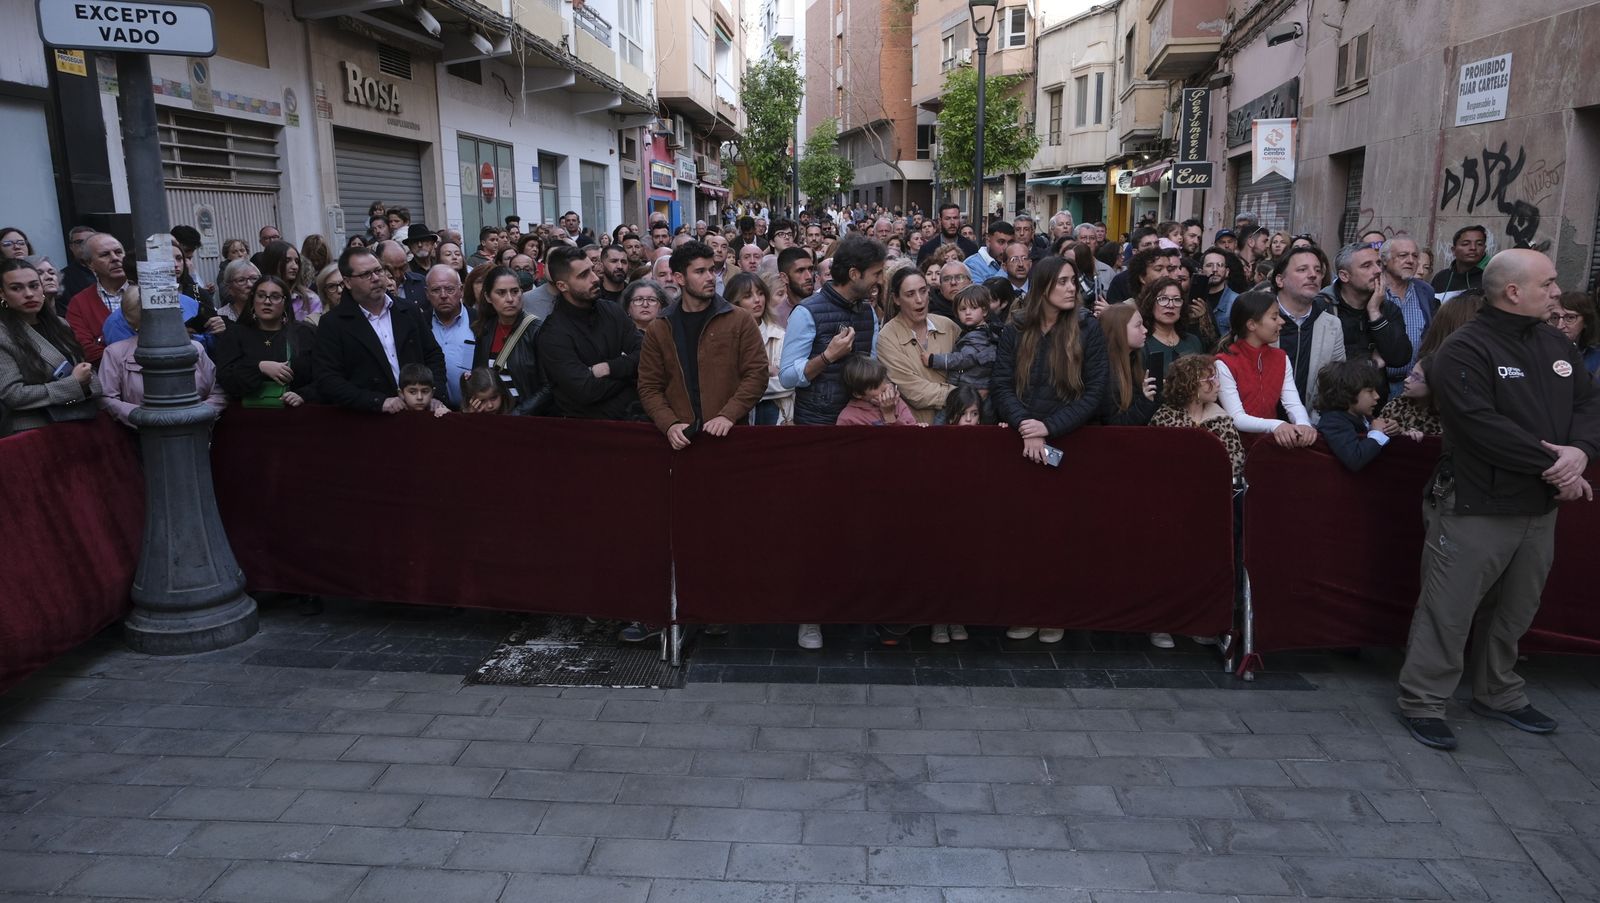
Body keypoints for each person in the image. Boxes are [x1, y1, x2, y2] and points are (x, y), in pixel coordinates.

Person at [1396, 249, 1600, 750]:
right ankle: (1423, 700)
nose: (1557, 292)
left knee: (1516, 609)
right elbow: (1481, 427)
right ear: (1514, 292)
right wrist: (1557, 465)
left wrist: (1580, 452)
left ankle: (1499, 692)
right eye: (1549, 283)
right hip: (1476, 504)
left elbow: (1589, 403)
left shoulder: (1556, 343)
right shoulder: (1464, 350)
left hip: (1540, 506)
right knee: (1449, 608)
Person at [991, 255, 1106, 644]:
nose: (1072, 287)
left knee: (1061, 538)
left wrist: (1049, 427)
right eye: (1062, 282)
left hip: (1070, 443)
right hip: (1021, 445)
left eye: (1074, 280)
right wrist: (1028, 427)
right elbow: (1001, 384)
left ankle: (1055, 613)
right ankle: (1026, 610)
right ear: (1043, 288)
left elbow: (1094, 393)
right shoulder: (1016, 329)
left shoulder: (1089, 328)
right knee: (1021, 537)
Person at [638, 240, 767, 452]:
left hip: (730, 436)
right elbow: (649, 386)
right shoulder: (659, 327)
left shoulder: (740, 319)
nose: (710, 277)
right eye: (700, 271)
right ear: (679, 278)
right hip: (682, 440)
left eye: (711, 270)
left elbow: (757, 374)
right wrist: (669, 423)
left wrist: (728, 414)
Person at [314, 247, 448, 414]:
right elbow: (328, 379)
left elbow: (433, 355)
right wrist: (377, 402)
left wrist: (435, 395)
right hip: (368, 420)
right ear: (347, 282)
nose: (376, 278)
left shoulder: (408, 310)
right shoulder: (333, 323)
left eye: (379, 270)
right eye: (366, 274)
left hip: (416, 415)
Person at [779, 233, 886, 425]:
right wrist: (827, 357)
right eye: (876, 274)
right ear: (854, 274)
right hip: (818, 425)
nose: (881, 280)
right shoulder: (806, 313)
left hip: (859, 423)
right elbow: (787, 377)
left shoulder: (868, 312)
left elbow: (872, 366)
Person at [536, 244, 642, 419]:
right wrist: (630, 376)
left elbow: (645, 356)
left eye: (592, 270)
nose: (595, 278)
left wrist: (610, 367)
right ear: (562, 286)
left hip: (632, 420)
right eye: (583, 275)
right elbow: (585, 390)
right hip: (586, 430)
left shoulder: (612, 311)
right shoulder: (553, 333)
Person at [98, 287, 227, 428]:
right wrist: (144, 417)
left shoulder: (195, 348)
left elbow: (218, 391)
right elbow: (107, 399)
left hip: (196, 433)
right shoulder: (115, 353)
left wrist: (198, 415)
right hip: (141, 436)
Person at [0, 258, 100, 435]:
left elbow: (84, 370)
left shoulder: (60, 324)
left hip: (81, 418)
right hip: (32, 431)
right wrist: (73, 384)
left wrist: (85, 384)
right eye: (16, 288)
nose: (29, 294)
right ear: (2, 294)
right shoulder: (3, 335)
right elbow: (13, 395)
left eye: (34, 286)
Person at [1215, 291, 1318, 446]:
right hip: (1234, 447)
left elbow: (1293, 403)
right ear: (1251, 325)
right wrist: (1276, 425)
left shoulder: (1280, 357)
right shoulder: (1224, 362)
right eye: (1274, 317)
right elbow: (1236, 417)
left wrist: (1304, 423)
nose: (1281, 321)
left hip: (1269, 446)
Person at [1319, 242, 1412, 404]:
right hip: (1333, 405)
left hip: (1376, 406)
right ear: (1344, 276)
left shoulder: (1388, 309)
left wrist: (1375, 312)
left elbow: (1400, 357)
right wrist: (1372, 363)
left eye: (1378, 263)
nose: (1377, 270)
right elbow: (1328, 363)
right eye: (1366, 266)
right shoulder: (1323, 307)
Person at [210, 274, 319, 409]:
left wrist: (303, 395)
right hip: (248, 416)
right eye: (261, 295)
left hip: (297, 414)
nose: (267, 301)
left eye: (275, 297)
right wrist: (259, 368)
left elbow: (323, 375)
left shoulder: (304, 333)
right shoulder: (235, 334)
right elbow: (225, 377)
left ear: (285, 302)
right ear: (253, 299)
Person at [1271, 246, 1345, 415]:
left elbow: (1336, 385)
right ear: (1280, 280)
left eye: (1317, 270)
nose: (1313, 275)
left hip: (1312, 426)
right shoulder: (1258, 319)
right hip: (1265, 425)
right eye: (1302, 269)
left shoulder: (1332, 325)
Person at [877, 266, 957, 424]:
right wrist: (965, 395)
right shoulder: (887, 337)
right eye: (910, 294)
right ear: (896, 299)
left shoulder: (948, 325)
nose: (919, 299)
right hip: (918, 428)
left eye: (923, 291)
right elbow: (914, 392)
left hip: (959, 424)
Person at [471, 265, 551, 416]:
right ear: (488, 297)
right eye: (501, 293)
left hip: (528, 420)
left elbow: (549, 387)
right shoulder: (485, 330)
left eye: (515, 291)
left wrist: (516, 414)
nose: (509, 299)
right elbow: (479, 374)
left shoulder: (537, 330)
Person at [1150, 353, 1245, 479]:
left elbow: (1236, 462)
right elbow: (1154, 462)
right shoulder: (1164, 419)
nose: (1217, 384)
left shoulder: (1222, 419)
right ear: (1191, 385)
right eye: (1210, 380)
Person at [1314, 360, 1410, 471]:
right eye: (1370, 391)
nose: (1377, 396)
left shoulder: (1362, 416)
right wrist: (1377, 433)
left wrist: (1390, 430)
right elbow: (1354, 459)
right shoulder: (1333, 422)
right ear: (1348, 393)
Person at [725, 271, 793, 425]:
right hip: (737, 418)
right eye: (748, 296)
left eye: (761, 293)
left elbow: (789, 383)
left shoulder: (779, 336)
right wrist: (765, 372)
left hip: (776, 417)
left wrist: (746, 383)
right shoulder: (724, 339)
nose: (757, 300)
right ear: (735, 303)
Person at [1376, 235, 1440, 396]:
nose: (1411, 261)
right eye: (1403, 255)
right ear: (1384, 260)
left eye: (1415, 256)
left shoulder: (1425, 291)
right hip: (1376, 384)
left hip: (1412, 385)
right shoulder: (1373, 289)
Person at [927, 285, 999, 415]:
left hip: (974, 389)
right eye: (962, 309)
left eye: (973, 308)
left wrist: (934, 360)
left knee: (944, 419)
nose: (968, 312)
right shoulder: (973, 332)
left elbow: (963, 359)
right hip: (971, 387)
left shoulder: (979, 336)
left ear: (984, 311)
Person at [64, 233, 129, 365]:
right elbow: (86, 349)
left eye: (118, 252)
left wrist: (102, 341)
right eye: (105, 255)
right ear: (90, 264)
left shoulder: (145, 292)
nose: (115, 258)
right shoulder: (79, 303)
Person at [1098, 303, 1158, 426]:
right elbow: (1114, 427)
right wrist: (1145, 401)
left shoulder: (1137, 359)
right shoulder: (1104, 373)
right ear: (1119, 330)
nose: (1145, 330)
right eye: (1138, 326)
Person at [1136, 277, 1204, 381]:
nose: (1171, 305)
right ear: (1150, 303)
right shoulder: (1142, 344)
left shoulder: (1193, 341)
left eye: (1177, 300)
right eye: (1163, 299)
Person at [425, 264, 473, 408]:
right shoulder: (420, 324)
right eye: (436, 290)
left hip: (475, 409)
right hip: (434, 411)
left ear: (461, 290)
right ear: (427, 294)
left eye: (450, 289)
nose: (443, 295)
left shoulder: (479, 322)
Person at [835, 354, 917, 426]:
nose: (885, 387)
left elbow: (910, 437)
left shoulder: (895, 402)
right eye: (876, 386)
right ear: (857, 394)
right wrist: (888, 414)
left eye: (884, 379)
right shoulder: (849, 418)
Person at [258, 240, 321, 323]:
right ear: (273, 262)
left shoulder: (309, 298)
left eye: (297, 261)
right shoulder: (257, 296)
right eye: (287, 261)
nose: (295, 266)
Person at [1551, 290, 1600, 376]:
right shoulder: (1537, 351)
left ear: (1586, 321)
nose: (1559, 325)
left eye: (1570, 317)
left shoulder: (1596, 358)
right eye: (1555, 317)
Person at [1430, 224, 1487, 296]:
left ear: (1484, 249)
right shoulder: (1441, 278)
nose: (1473, 248)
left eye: (1479, 244)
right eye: (1466, 244)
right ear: (1453, 250)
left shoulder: (1489, 278)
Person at [1200, 247, 1240, 334]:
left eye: (1220, 265)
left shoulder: (1237, 301)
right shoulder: (1195, 298)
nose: (1215, 269)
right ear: (1201, 271)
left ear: (1227, 272)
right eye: (1209, 265)